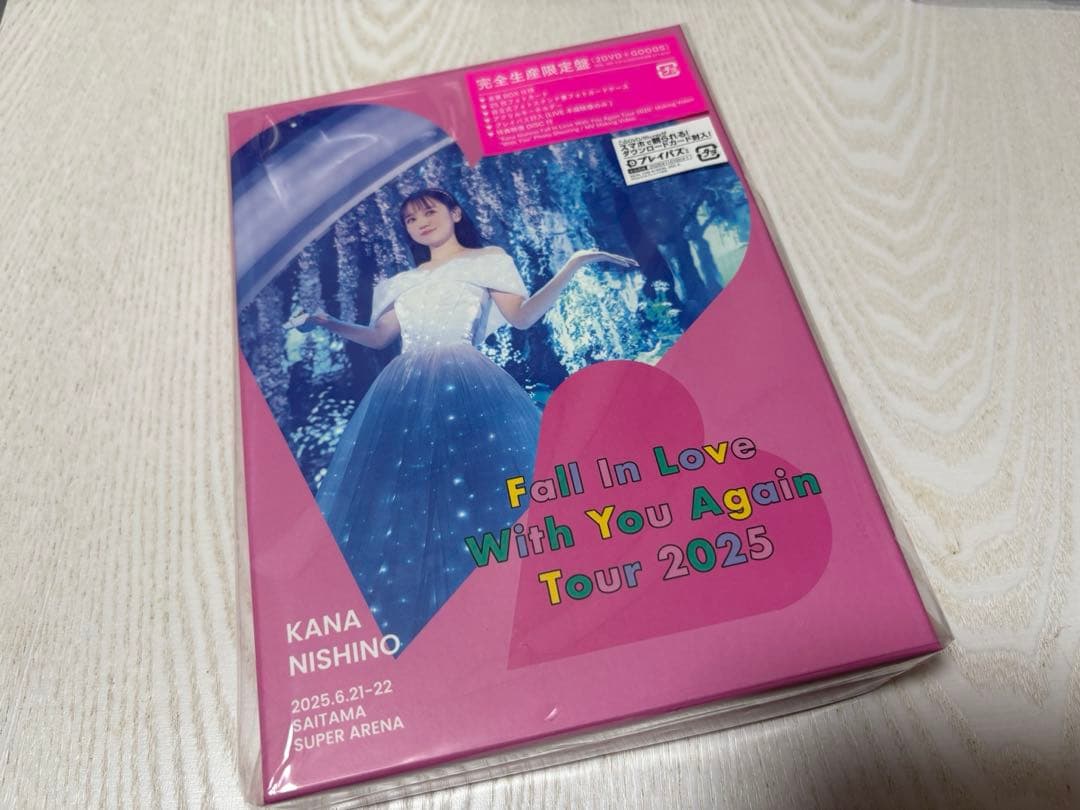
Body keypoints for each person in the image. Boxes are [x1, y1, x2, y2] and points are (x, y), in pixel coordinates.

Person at [286, 188, 636, 647]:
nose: (421, 223)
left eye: (429, 212)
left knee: (486, 485)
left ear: (454, 212)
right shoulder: (398, 283)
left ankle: (517, 608)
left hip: (466, 379)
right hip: (404, 388)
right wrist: (326, 321)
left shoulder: (487, 260)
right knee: (413, 496)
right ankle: (446, 625)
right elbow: (378, 338)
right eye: (411, 219)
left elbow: (523, 318)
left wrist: (574, 263)